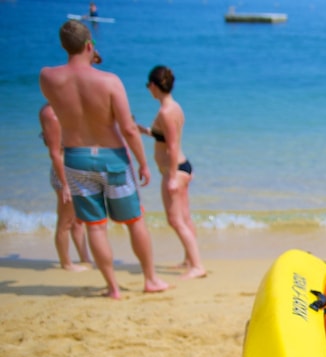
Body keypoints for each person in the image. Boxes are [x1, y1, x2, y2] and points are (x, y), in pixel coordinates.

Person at [39, 20, 168, 299]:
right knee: (135, 221)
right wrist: (143, 163)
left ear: (64, 46)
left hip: (76, 158)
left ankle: (113, 288)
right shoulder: (109, 81)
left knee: (96, 226)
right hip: (112, 159)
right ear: (90, 45)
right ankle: (151, 279)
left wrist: (83, 60)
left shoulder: (47, 77)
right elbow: (128, 128)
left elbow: (64, 98)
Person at [137, 65, 205, 279]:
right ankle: (189, 260)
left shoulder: (165, 112)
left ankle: (197, 266)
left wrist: (173, 178)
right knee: (184, 217)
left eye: (148, 85)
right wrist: (144, 130)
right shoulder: (174, 107)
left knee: (175, 220)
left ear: (155, 86)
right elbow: (164, 137)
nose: (148, 89)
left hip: (174, 170)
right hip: (181, 167)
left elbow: (173, 145)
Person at [40, 103, 91, 271]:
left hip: (72, 168)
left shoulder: (65, 108)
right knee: (65, 221)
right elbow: (54, 153)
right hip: (64, 171)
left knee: (77, 220)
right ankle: (66, 263)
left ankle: (85, 259)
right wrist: (66, 184)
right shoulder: (50, 113)